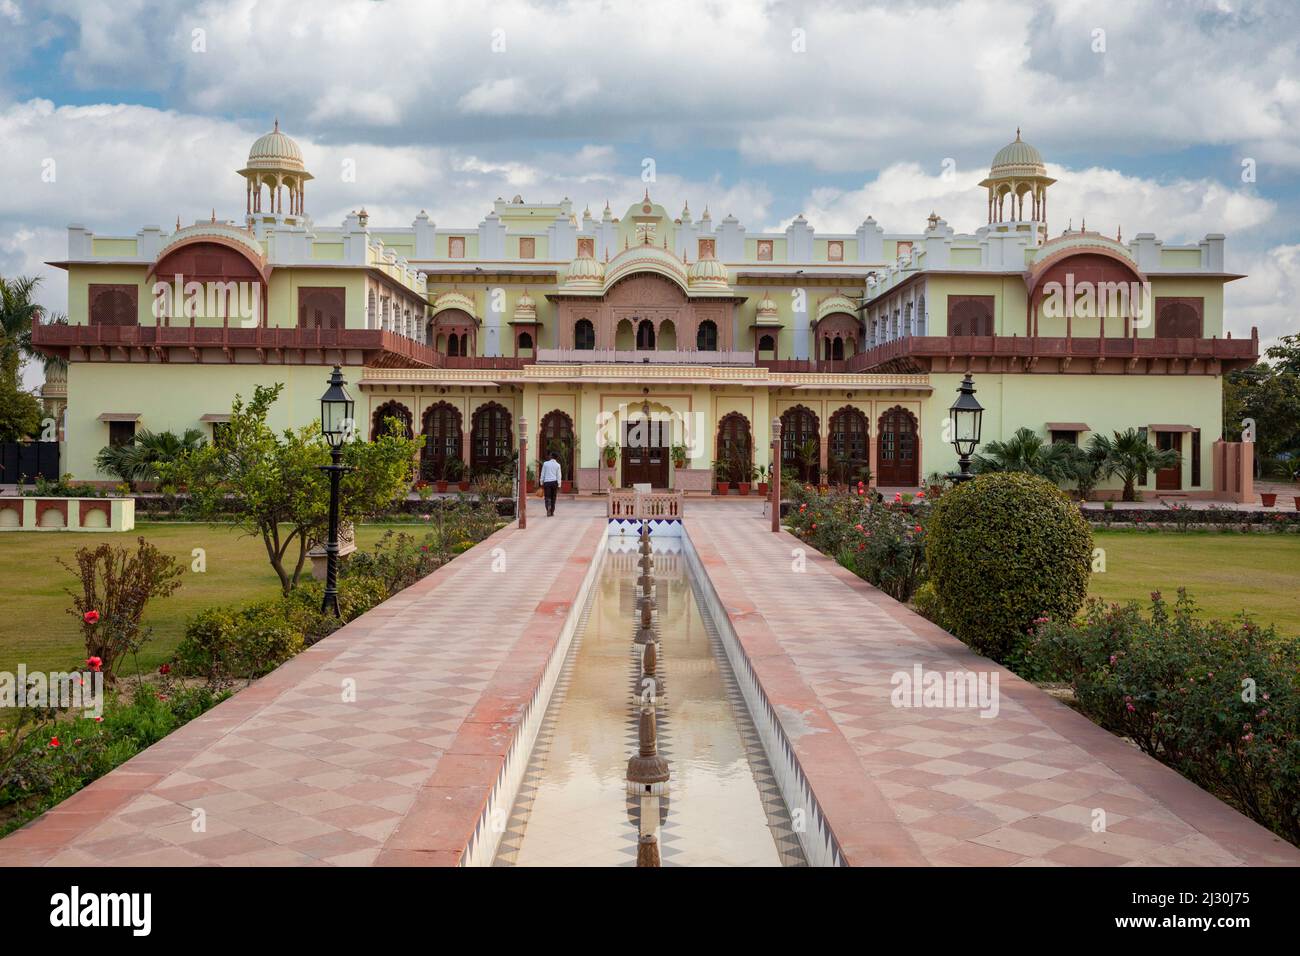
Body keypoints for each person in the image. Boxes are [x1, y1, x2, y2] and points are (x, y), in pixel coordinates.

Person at [540, 451, 562, 516]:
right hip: (554, 483)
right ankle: (552, 511)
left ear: (551, 456)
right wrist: (559, 484)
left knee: (547, 497)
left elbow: (543, 473)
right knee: (553, 497)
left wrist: (541, 482)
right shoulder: (558, 465)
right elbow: (559, 475)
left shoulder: (545, 464)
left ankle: (548, 507)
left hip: (547, 483)